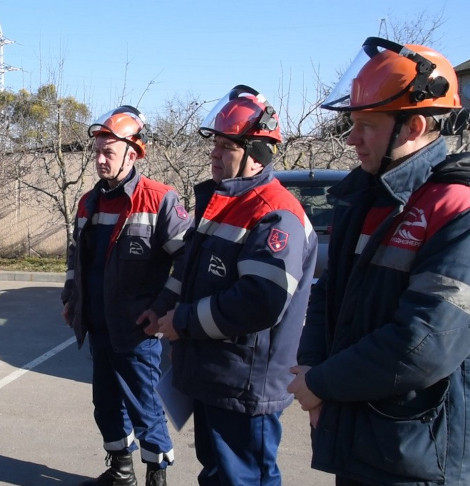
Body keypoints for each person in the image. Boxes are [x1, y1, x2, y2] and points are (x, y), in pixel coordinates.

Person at [288, 38, 470, 485]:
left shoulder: (455, 208)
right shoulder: (365, 197)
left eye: (366, 125)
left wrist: (321, 385)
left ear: (413, 127)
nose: (351, 139)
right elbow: (328, 295)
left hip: (414, 457)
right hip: (357, 436)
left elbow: (425, 342)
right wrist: (313, 373)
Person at [146, 86, 317, 485]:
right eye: (216, 144)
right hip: (217, 377)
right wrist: (161, 307)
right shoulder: (225, 202)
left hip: (244, 386)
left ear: (256, 154)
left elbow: (259, 301)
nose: (214, 154)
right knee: (219, 473)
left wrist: (182, 323)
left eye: (227, 146)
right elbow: (188, 269)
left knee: (241, 477)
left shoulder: (275, 213)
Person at [61, 105, 192, 486]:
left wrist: (161, 308)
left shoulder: (160, 199)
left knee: (146, 408)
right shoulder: (88, 202)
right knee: (105, 405)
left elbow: (187, 262)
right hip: (98, 326)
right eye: (97, 152)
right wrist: (72, 298)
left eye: (109, 153)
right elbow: (76, 256)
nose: (100, 160)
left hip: (138, 331)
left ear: (132, 154)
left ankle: (156, 475)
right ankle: (121, 472)